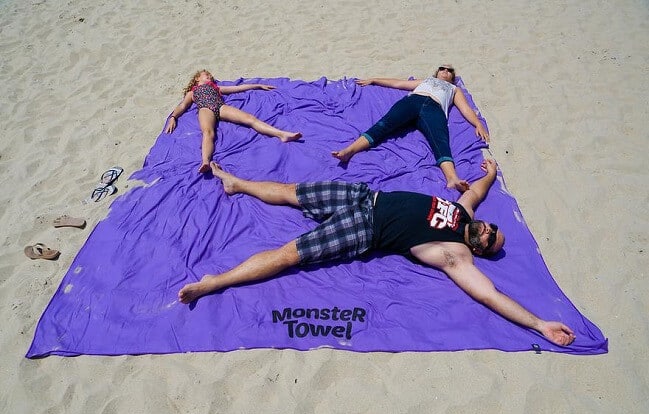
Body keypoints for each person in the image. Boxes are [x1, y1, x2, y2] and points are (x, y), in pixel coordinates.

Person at [178, 159, 576, 346]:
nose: (488, 233)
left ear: (477, 250)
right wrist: (489, 173)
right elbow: (476, 191)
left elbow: (489, 294)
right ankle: (237, 184)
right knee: (289, 192)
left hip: (364, 228)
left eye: (489, 242)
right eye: (493, 230)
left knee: (288, 254)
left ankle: (215, 282)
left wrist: (539, 324)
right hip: (366, 195)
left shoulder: (456, 255)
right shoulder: (465, 213)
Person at [332, 64, 490, 193]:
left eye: (450, 70)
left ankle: (452, 178)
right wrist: (374, 80)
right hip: (413, 101)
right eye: (442, 68)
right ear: (437, 72)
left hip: (435, 109)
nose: (445, 71)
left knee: (440, 141)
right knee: (383, 124)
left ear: (452, 77)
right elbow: (399, 83)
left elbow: (465, 108)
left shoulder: (453, 89)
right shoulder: (427, 81)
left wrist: (477, 123)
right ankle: (349, 151)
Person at [165, 70, 302, 173]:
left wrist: (258, 85)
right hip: (205, 109)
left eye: (210, 76)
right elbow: (183, 106)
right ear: (197, 78)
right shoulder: (193, 92)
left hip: (220, 107)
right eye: (206, 75)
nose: (210, 77)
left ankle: (281, 134)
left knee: (250, 119)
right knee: (208, 133)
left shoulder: (216, 88)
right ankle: (206, 161)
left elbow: (237, 88)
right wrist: (173, 117)